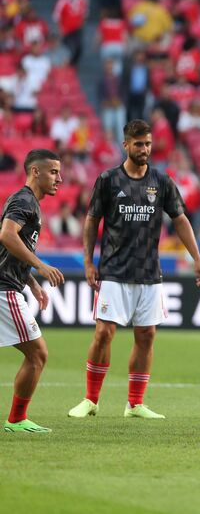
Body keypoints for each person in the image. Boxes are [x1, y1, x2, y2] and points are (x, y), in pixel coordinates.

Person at [67, 120, 200, 421]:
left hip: (148, 273)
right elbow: (92, 220)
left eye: (148, 144)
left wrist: (197, 257)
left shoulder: (162, 181)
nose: (144, 149)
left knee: (146, 335)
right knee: (104, 333)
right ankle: (91, 399)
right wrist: (89, 262)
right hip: (113, 270)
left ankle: (135, 404)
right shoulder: (108, 180)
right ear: (126, 145)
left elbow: (180, 219)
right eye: (139, 144)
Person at [1, 149, 65, 433]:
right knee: (38, 354)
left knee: (37, 354)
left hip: (10, 285)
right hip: (4, 290)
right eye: (53, 172)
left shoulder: (29, 204)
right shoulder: (24, 200)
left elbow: (9, 251)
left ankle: (17, 419)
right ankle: (16, 419)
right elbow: (6, 235)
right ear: (35, 171)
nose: (59, 179)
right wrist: (40, 266)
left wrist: (33, 283)